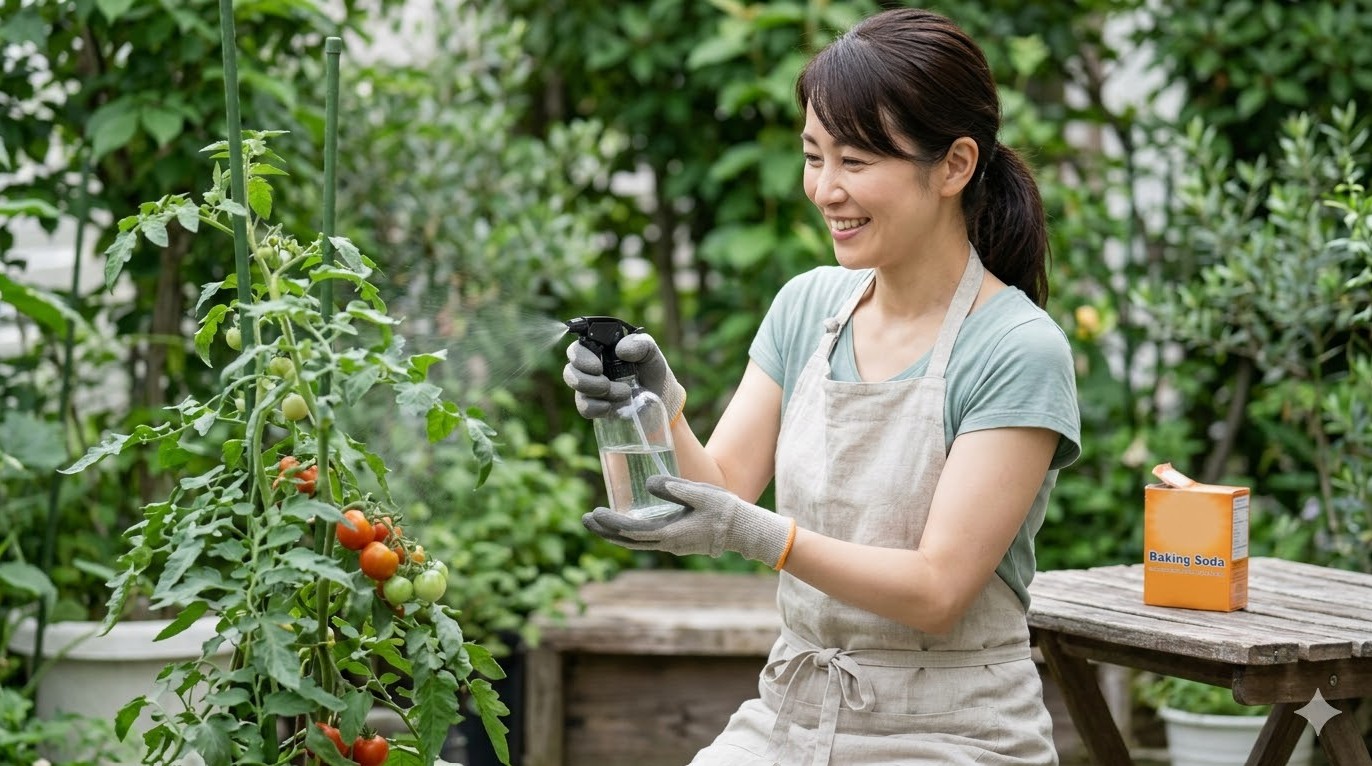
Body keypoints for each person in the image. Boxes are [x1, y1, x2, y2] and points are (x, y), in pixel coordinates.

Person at [562, 7, 1081, 765]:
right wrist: (655, 403)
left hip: (951, 730)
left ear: (955, 165)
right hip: (791, 711)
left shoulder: (1016, 348)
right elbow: (724, 486)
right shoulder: (808, 306)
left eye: (857, 162)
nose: (825, 189)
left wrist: (756, 533)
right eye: (815, 156)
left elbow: (938, 590)